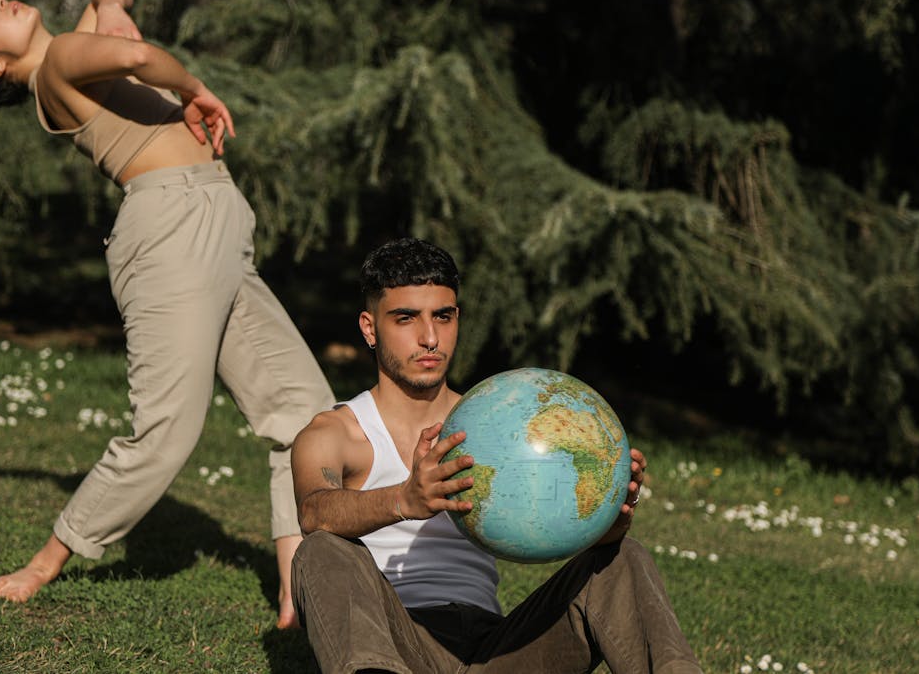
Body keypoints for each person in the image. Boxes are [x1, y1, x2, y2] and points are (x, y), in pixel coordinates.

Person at [0, 0, 335, 628]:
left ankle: (296, 588)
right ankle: (49, 559)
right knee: (168, 427)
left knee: (307, 412)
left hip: (213, 218)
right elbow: (141, 62)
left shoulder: (69, 46)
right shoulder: (61, 59)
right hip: (172, 230)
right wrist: (196, 87)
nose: (2, 0)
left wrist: (112, 4)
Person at [290, 237, 703, 673]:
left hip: (498, 652)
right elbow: (314, 512)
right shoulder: (337, 432)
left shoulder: (502, 423)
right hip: (400, 643)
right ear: (370, 328)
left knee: (625, 558)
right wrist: (403, 500)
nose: (429, 338)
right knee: (322, 549)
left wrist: (604, 523)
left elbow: (550, 524)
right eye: (406, 318)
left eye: (443, 317)